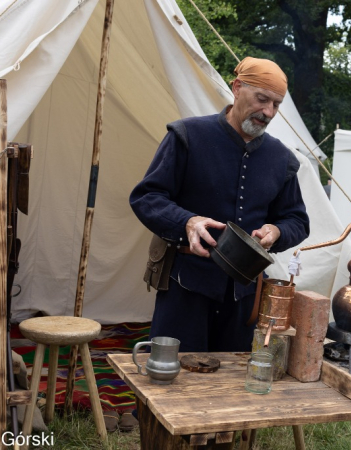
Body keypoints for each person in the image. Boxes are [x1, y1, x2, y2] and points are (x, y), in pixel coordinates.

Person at [129, 57, 310, 352]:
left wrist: (276, 231)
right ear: (237, 88)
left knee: (231, 385)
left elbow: (297, 221)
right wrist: (186, 222)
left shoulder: (282, 159)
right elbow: (147, 197)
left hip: (244, 297)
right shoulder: (188, 136)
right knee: (172, 380)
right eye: (262, 99)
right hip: (185, 288)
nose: (268, 112)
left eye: (276, 105)